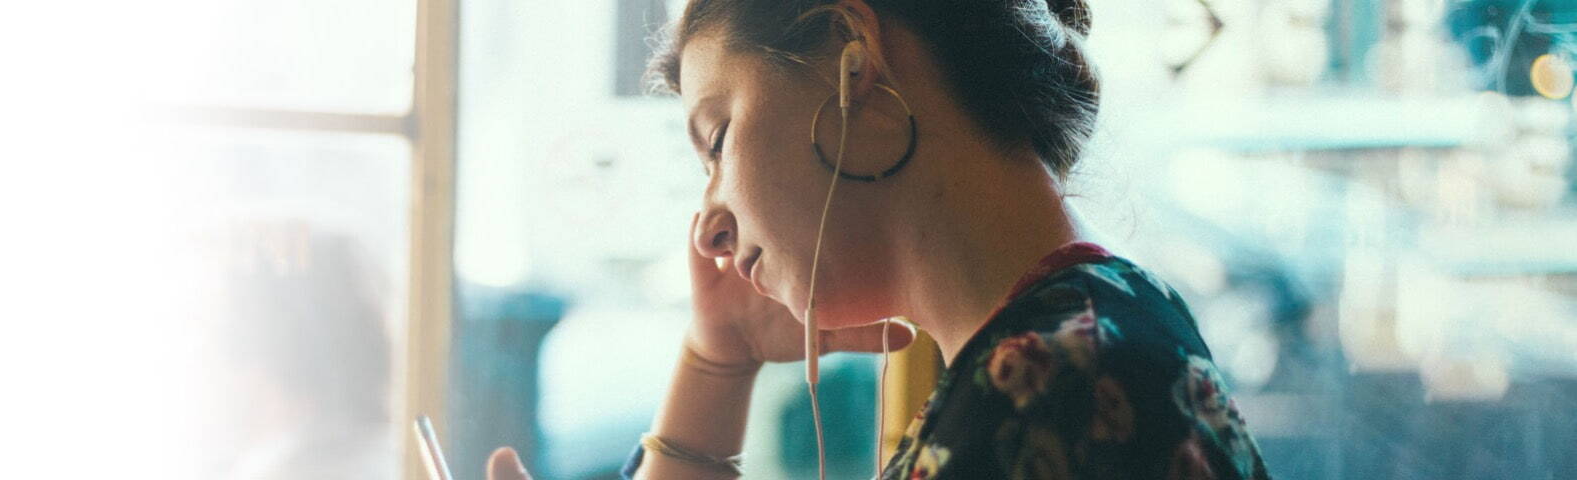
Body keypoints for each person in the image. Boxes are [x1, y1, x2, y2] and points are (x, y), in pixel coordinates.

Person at [487, 0, 1272, 478]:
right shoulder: (1109, 320)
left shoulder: (1035, 386)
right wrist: (716, 355)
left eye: (719, 137)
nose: (709, 226)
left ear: (848, 58)